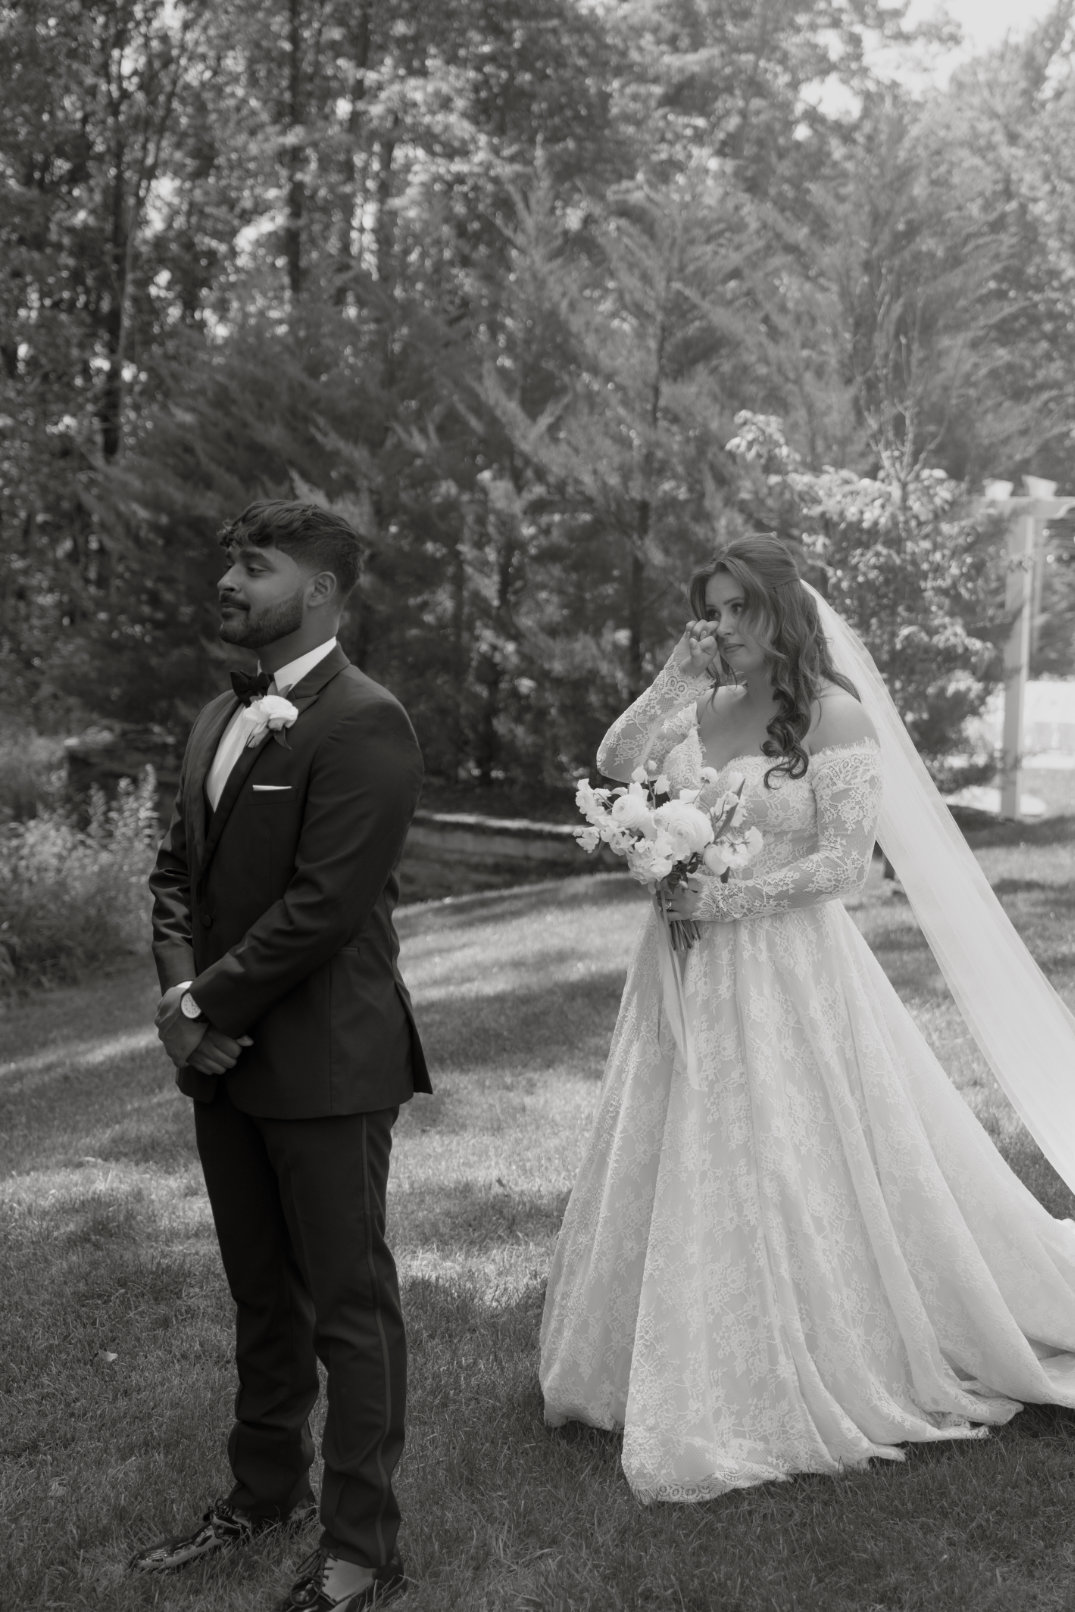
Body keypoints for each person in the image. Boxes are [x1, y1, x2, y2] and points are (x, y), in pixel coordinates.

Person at [540, 532, 1075, 1504]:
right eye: (709, 606)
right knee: (675, 1144)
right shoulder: (699, 706)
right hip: (678, 968)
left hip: (784, 968)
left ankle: (807, 1342)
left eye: (739, 607)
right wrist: (669, 677)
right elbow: (616, 766)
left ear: (782, 612)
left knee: (782, 1151)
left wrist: (723, 902)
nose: (722, 626)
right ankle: (659, 1347)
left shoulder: (833, 717)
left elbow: (843, 863)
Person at [134, 500, 428, 1610]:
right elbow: (176, 874)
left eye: (254, 566)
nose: (230, 581)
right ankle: (263, 1496)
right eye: (230, 563)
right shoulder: (219, 714)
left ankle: (363, 1549)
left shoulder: (367, 721)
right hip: (223, 1059)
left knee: (349, 1307)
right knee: (262, 1297)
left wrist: (202, 1002)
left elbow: (322, 908)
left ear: (319, 589)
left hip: (329, 1063)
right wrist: (181, 1002)